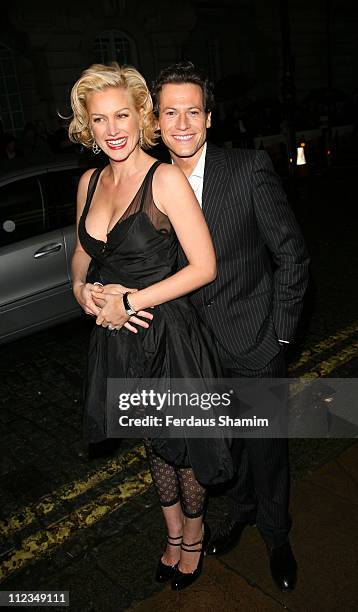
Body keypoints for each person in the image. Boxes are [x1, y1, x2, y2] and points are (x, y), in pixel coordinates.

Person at [68, 63, 234, 591]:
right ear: (86, 127)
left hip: (171, 340)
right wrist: (85, 295)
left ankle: (192, 538)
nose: (113, 129)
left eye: (122, 115)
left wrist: (131, 299)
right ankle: (170, 537)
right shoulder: (88, 182)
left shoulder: (164, 178)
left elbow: (204, 266)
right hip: (119, 340)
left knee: (186, 449)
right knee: (155, 444)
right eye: (100, 120)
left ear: (142, 117)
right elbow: (79, 260)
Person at [151, 61, 310, 592]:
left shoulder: (247, 170)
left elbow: (291, 253)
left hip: (254, 338)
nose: (181, 123)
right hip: (196, 353)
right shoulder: (152, 185)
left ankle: (276, 535)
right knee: (229, 445)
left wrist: (281, 335)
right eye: (169, 112)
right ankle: (240, 514)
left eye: (192, 111)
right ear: (155, 120)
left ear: (209, 118)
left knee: (268, 450)